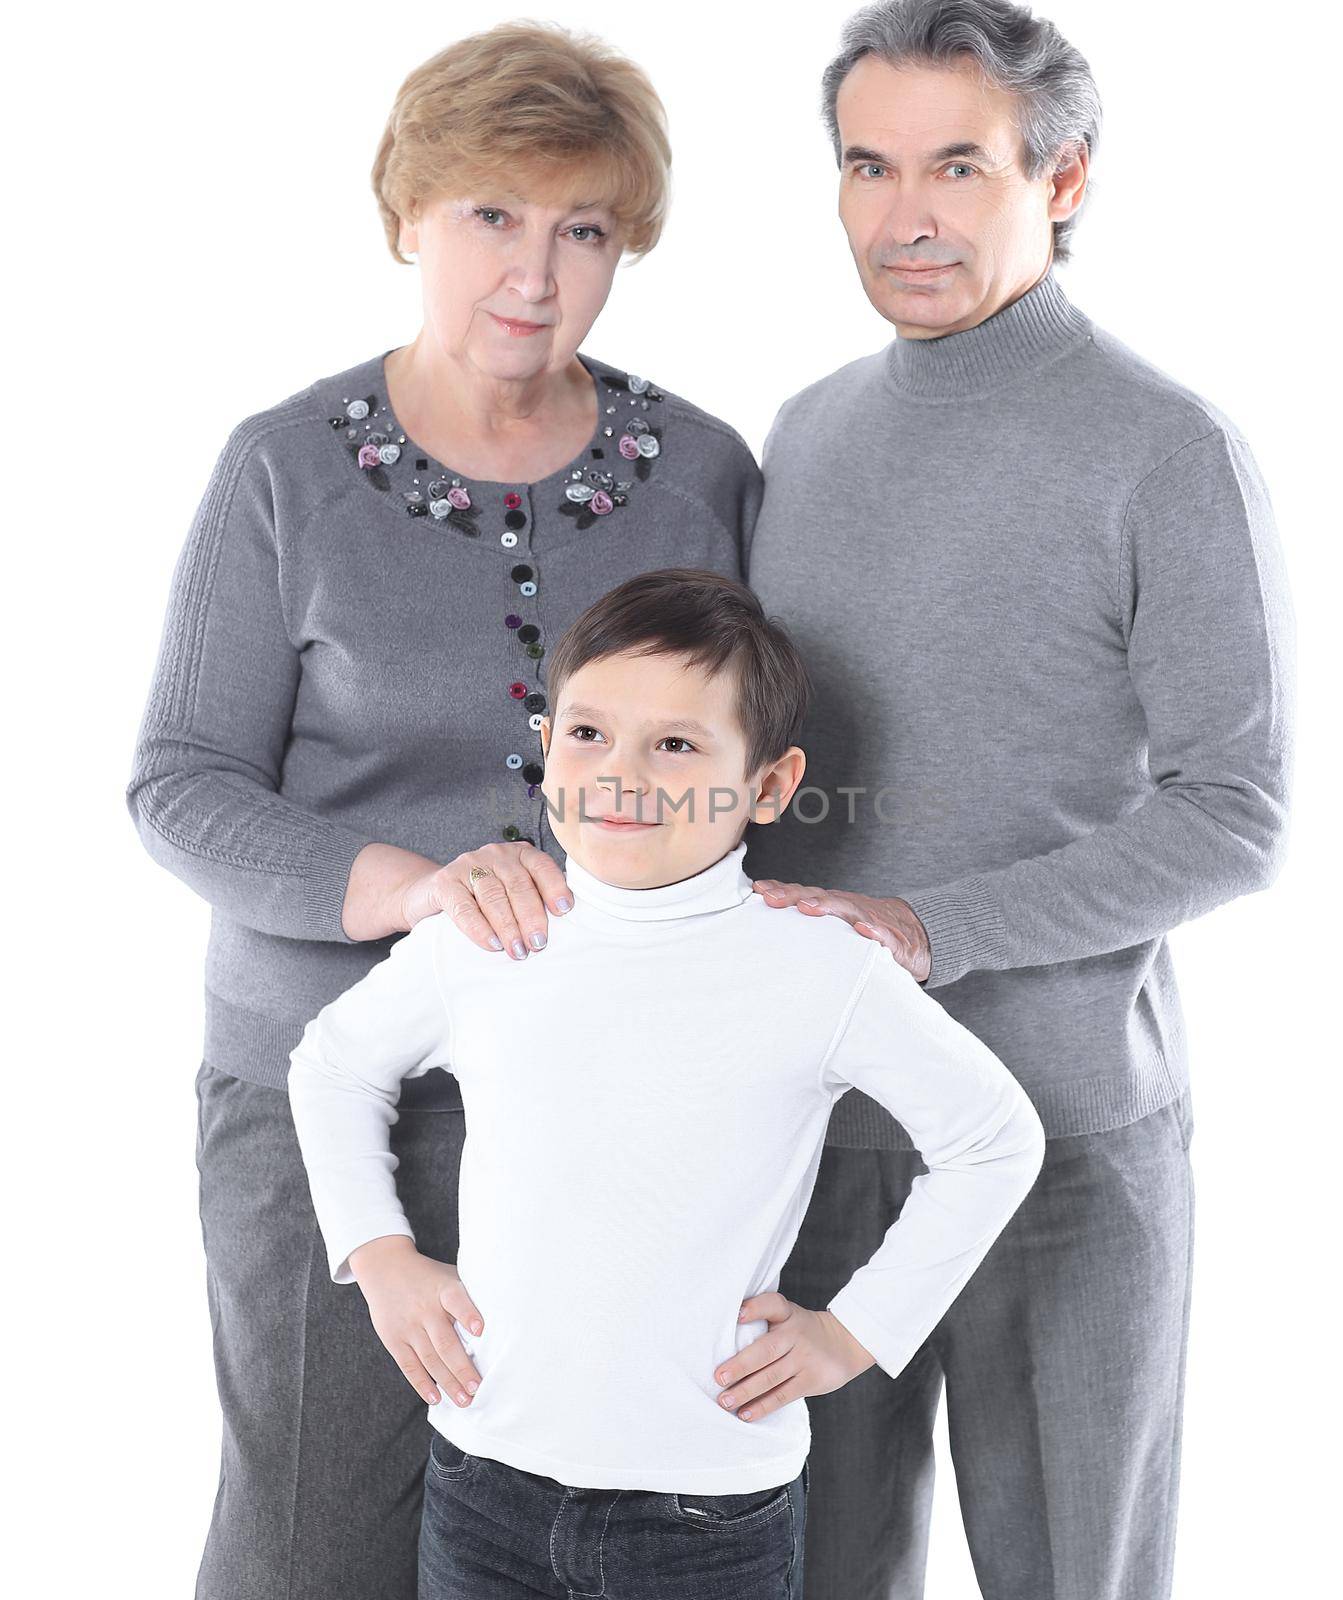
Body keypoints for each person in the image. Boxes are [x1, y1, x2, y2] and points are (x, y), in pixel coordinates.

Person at [460, 3, 1297, 1597]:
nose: (905, 213)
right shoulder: (811, 434)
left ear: (1059, 181)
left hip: (1057, 1135)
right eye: (867, 164)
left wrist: (921, 926)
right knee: (814, 1571)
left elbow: (1236, 812)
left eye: (956, 166)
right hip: (810, 1140)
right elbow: (731, 758)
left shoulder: (1166, 450)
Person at [123, 23, 764, 1599]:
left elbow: (747, 776)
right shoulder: (283, 469)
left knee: (583, 1539)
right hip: (326, 1099)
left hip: (615, 1109)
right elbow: (180, 786)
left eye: (584, 230)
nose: (533, 275)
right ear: (406, 214)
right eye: (491, 214)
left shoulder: (699, 471)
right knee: (312, 1538)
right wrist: (411, 888)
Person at [285, 568, 1047, 1600]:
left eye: (677, 745)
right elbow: (333, 1064)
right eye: (589, 735)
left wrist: (858, 1331)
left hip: (707, 1514)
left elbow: (993, 1137)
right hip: (484, 1487)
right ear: (546, 748)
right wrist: (377, 1253)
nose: (621, 776)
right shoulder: (488, 933)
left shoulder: (819, 965)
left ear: (770, 786)